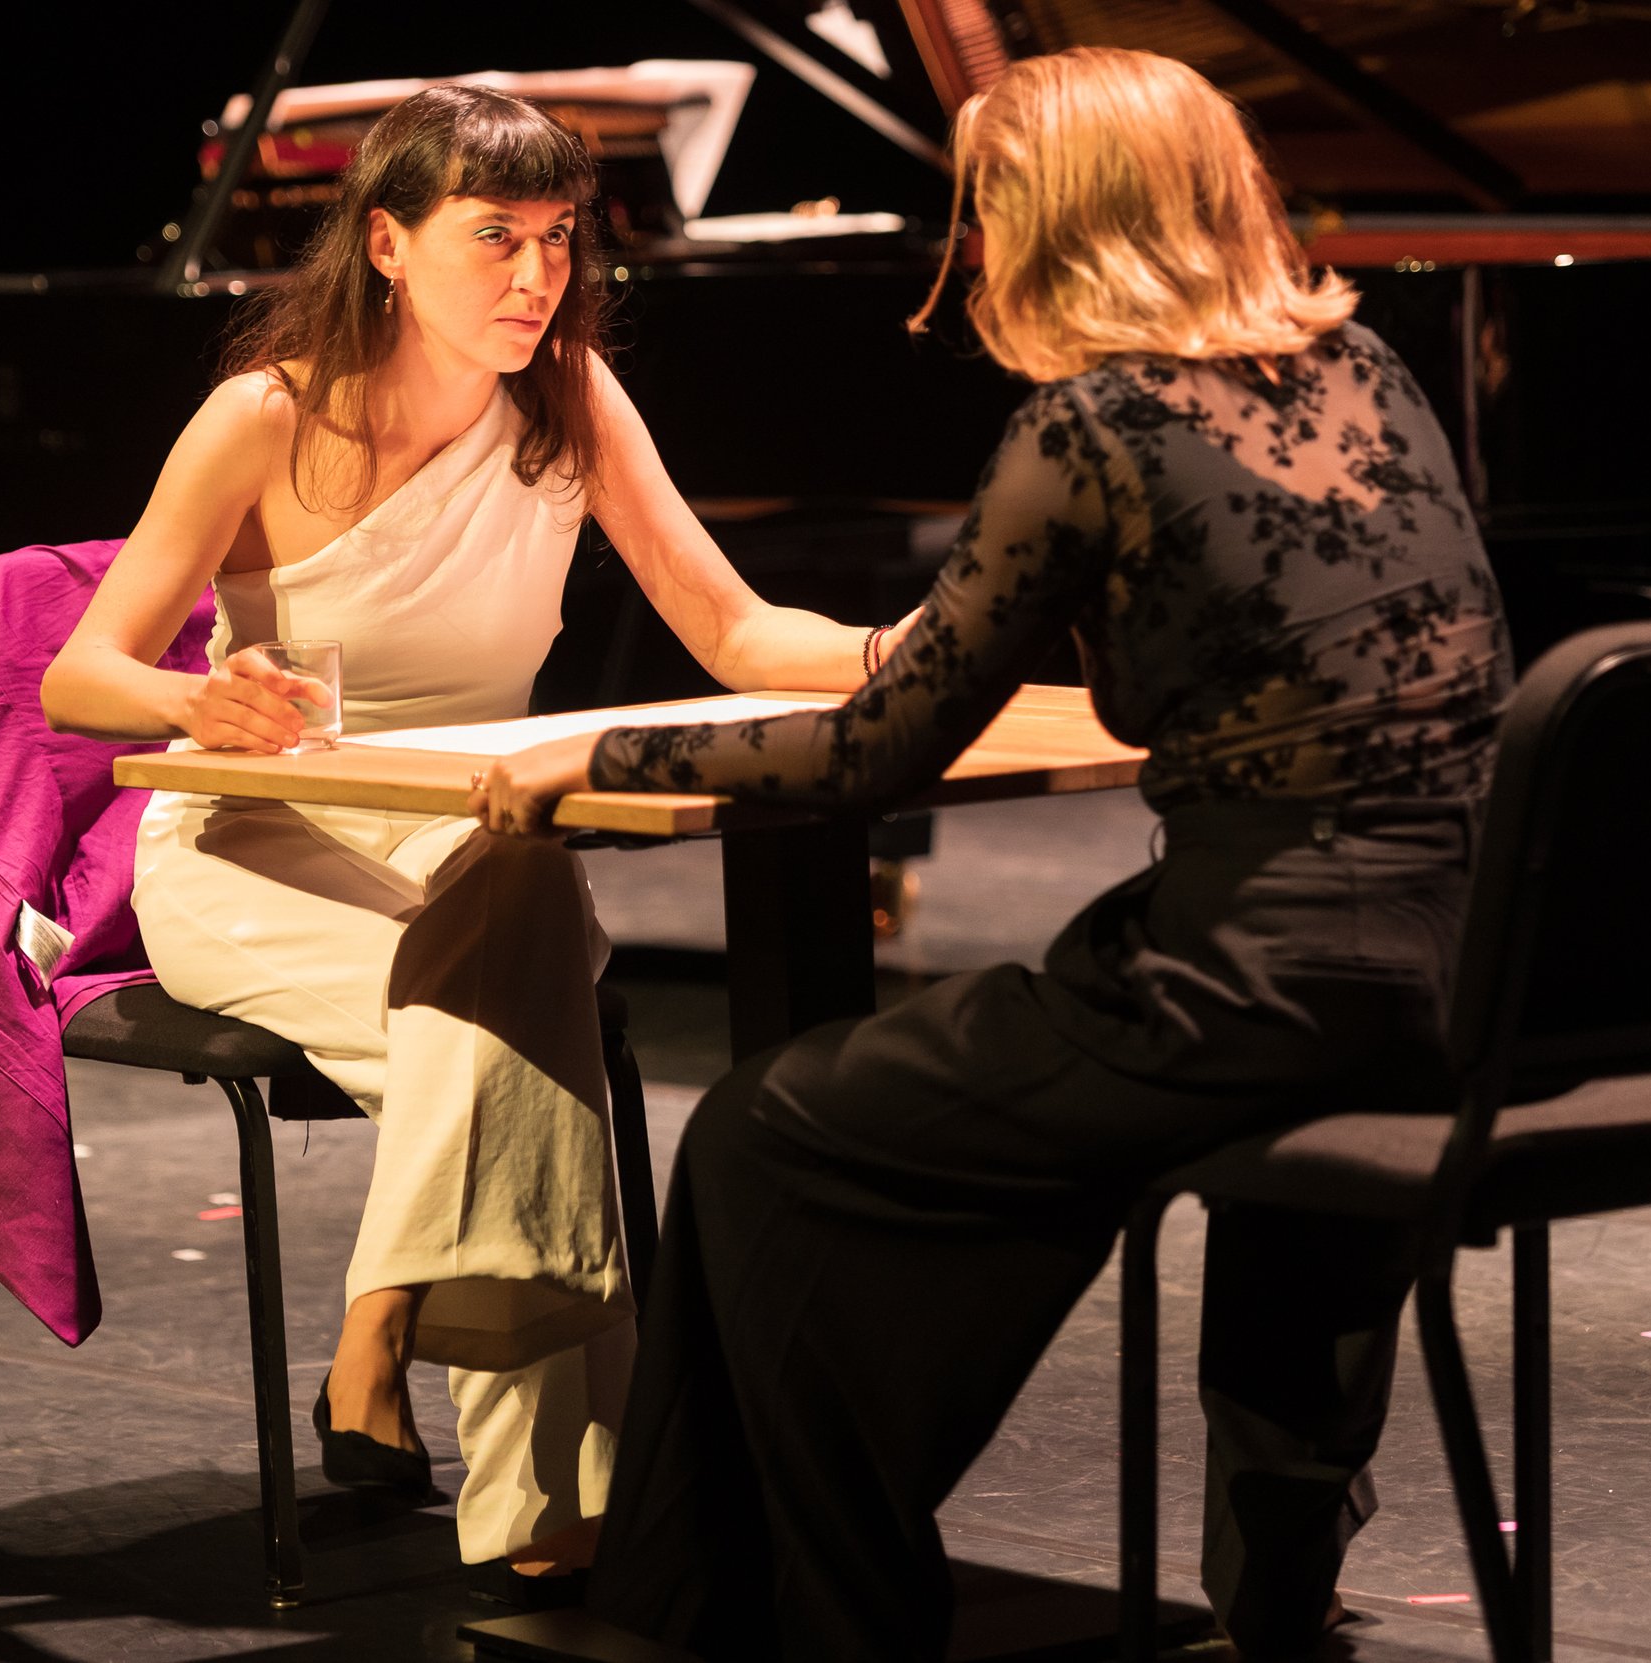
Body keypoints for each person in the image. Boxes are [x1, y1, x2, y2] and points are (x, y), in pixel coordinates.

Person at [471, 46, 1515, 1660]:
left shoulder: (1090, 430)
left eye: (990, 204)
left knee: (763, 1131)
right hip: (1465, 980)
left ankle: (817, 1613)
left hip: (1244, 996)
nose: (974, 238)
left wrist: (595, 752)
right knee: (1000, 1123)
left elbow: (873, 751)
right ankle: (1275, 1562)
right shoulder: (1371, 368)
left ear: (1054, 219)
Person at [40, 86, 911, 1589]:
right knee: (519, 1003)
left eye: (560, 240)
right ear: (386, 242)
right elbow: (80, 675)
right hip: (262, 848)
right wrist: (203, 698)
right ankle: (547, 1503)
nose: (536, 276)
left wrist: (926, 648)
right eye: (494, 238)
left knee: (504, 932)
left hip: (472, 842)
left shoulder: (571, 397)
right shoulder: (268, 413)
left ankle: (393, 1318)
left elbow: (737, 627)